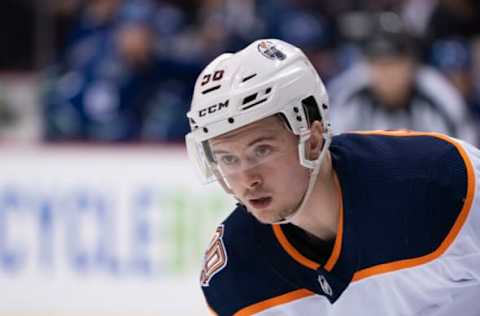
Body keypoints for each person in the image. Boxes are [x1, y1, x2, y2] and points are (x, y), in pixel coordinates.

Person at [185, 39, 480, 315]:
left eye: (261, 150)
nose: (247, 179)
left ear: (312, 139)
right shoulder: (236, 273)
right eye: (227, 158)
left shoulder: (440, 181)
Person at [328, 12, 477, 144]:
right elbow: (330, 152)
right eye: (380, 64)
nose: (388, 74)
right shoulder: (348, 94)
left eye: (394, 64)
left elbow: (466, 150)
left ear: (412, 63)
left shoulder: (438, 94)